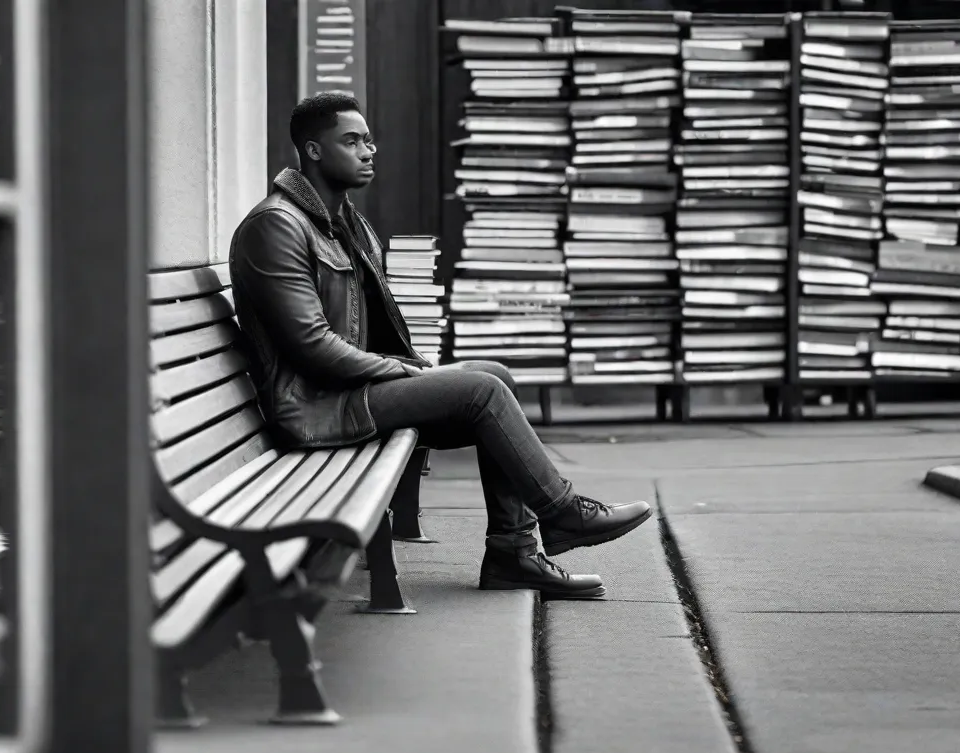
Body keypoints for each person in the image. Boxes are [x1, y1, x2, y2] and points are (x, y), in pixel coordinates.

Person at [228, 92, 652, 600]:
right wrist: (402, 373)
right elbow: (311, 346)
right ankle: (563, 514)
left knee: (495, 374)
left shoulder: (343, 222)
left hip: (347, 391)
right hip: (316, 407)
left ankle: (513, 554)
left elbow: (372, 329)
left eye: (368, 140)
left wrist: (411, 369)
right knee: (480, 392)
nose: (369, 151)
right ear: (314, 151)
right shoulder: (276, 226)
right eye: (352, 141)